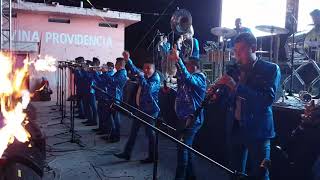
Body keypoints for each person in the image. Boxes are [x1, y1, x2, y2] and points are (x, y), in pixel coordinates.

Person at [215, 32, 281, 179]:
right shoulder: (235, 69)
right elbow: (229, 98)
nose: (237, 55)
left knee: (260, 174)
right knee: (235, 173)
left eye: (242, 50)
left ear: (254, 48)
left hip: (258, 131)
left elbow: (266, 100)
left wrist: (235, 87)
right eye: (235, 51)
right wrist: (217, 95)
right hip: (235, 128)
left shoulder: (270, 69)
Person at [114, 51, 161, 163]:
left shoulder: (155, 79)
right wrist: (128, 60)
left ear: (153, 69)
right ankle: (127, 153)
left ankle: (153, 157)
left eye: (148, 68)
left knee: (151, 135)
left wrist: (142, 77)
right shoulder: (145, 75)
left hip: (150, 111)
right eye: (144, 68)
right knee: (133, 132)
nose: (145, 70)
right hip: (141, 109)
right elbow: (135, 70)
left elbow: (148, 89)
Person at [167, 48, 207, 180]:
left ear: (194, 66)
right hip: (183, 117)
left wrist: (178, 60)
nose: (185, 66)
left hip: (192, 119)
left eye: (187, 64)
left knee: (182, 149)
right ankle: (191, 176)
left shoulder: (200, 78)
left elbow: (187, 78)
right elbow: (181, 80)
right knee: (187, 149)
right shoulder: (187, 77)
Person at [99, 58, 128, 143]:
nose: (115, 65)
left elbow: (113, 82)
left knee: (115, 118)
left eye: (116, 64)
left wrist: (105, 72)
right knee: (111, 118)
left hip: (116, 98)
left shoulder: (122, 73)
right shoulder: (118, 73)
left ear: (120, 65)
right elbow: (110, 80)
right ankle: (112, 135)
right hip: (112, 96)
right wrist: (104, 74)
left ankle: (116, 137)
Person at [92, 62, 115, 135]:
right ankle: (101, 128)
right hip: (101, 96)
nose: (102, 67)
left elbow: (102, 83)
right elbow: (98, 81)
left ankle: (107, 131)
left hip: (106, 97)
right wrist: (94, 72)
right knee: (100, 114)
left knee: (106, 116)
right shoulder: (104, 74)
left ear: (110, 68)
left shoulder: (111, 74)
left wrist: (96, 73)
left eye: (105, 66)